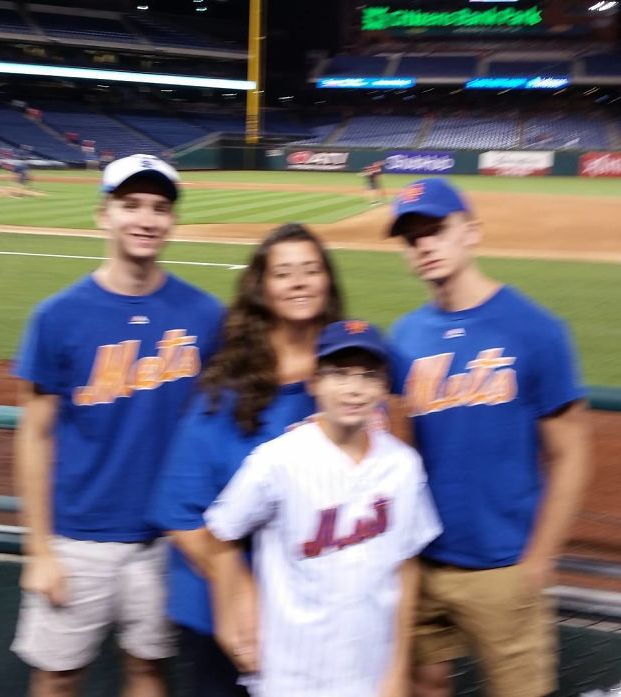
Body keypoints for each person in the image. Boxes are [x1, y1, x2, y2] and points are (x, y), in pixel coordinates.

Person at [11, 154, 224, 697]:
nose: (146, 219)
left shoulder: (204, 315)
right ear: (102, 215)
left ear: (172, 222)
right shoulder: (56, 316)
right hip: (76, 537)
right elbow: (33, 437)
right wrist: (37, 551)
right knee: (57, 677)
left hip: (165, 538)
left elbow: (227, 416)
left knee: (149, 670)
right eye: (130, 205)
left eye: (159, 208)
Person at [385, 177, 590, 697]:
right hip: (423, 562)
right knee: (424, 686)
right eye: (413, 238)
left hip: (505, 567)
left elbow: (571, 454)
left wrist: (540, 559)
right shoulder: (404, 338)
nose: (425, 244)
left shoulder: (535, 329)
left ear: (471, 232)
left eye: (437, 229)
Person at [146, 223, 344, 697]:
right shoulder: (226, 386)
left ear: (327, 283)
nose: (298, 281)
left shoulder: (353, 383)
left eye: (310, 270)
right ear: (263, 289)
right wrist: (240, 590)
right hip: (226, 616)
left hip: (318, 616)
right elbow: (177, 508)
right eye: (283, 273)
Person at [204, 320, 443, 697]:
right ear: (314, 383)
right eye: (339, 374)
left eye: (368, 376)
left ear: (383, 387)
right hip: (290, 674)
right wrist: (231, 612)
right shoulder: (276, 460)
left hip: (370, 673)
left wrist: (397, 670)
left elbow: (406, 568)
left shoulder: (402, 466)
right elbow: (221, 532)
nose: (354, 388)